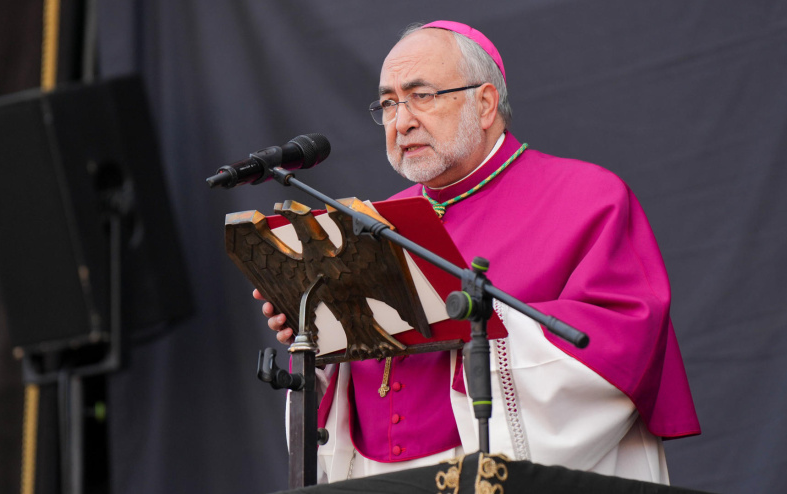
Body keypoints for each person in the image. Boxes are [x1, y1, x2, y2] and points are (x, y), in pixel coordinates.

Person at [255, 20, 700, 484]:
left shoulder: (587, 197)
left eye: (421, 95)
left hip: (493, 470)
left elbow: (623, 341)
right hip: (376, 474)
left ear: (485, 104)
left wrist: (476, 325)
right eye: (388, 103)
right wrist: (315, 327)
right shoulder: (375, 221)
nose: (401, 122)